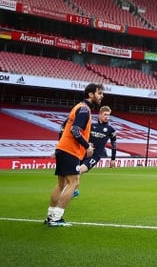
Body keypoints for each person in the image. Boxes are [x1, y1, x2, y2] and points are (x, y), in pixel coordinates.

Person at [45, 83, 104, 227]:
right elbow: (75, 131)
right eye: (99, 93)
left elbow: (65, 128)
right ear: (91, 95)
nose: (101, 96)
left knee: (61, 184)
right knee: (74, 182)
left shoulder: (79, 107)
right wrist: (87, 146)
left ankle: (50, 216)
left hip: (63, 148)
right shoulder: (84, 110)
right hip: (70, 150)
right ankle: (56, 218)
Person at [72, 105, 118, 198]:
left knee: (79, 171)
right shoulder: (91, 126)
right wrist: (87, 143)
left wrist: (113, 159)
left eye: (108, 115)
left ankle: (72, 190)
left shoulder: (111, 130)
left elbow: (114, 145)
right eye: (105, 114)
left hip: (95, 156)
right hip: (84, 153)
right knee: (74, 172)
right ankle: (74, 189)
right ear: (100, 115)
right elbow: (82, 137)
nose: (107, 117)